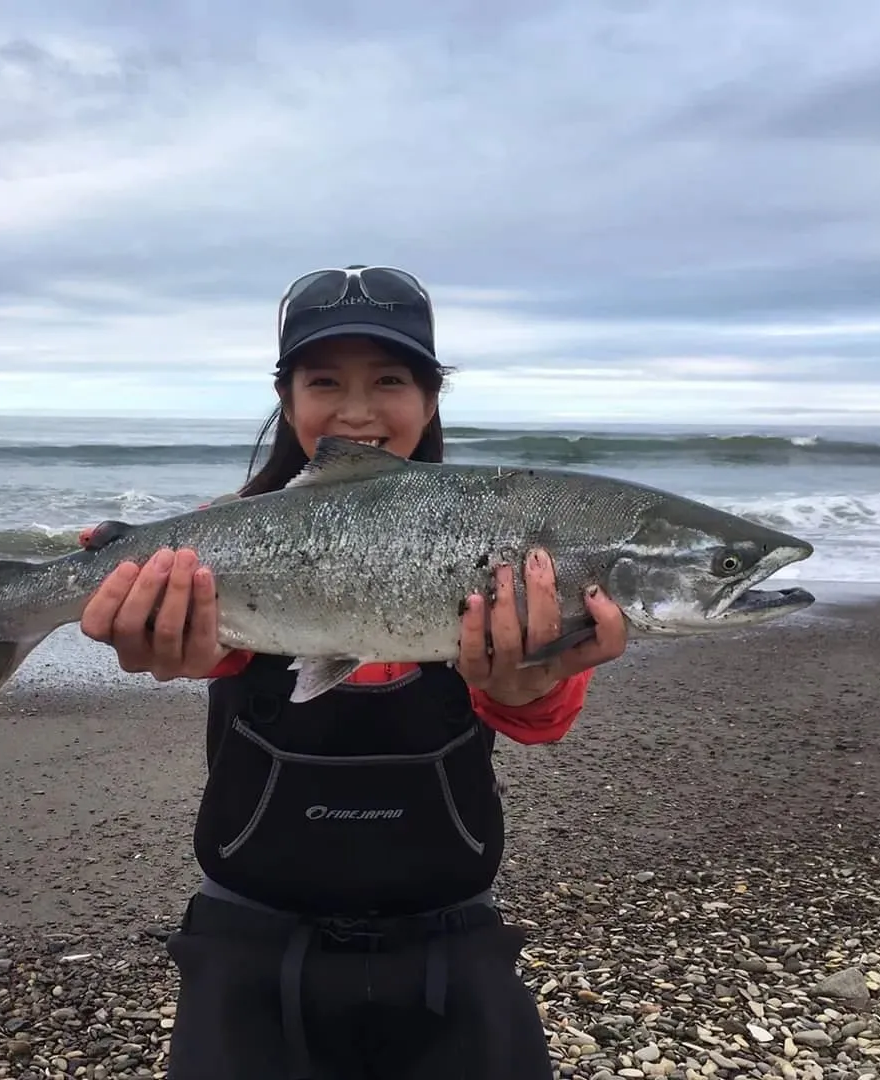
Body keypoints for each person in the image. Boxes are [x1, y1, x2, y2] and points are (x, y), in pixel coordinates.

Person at [78, 265, 629, 1080]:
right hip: (246, 932)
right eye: (324, 380)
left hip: (453, 929)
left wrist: (528, 684)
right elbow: (204, 649)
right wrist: (152, 634)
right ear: (287, 397)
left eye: (391, 380)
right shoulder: (210, 544)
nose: (359, 408)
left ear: (432, 398)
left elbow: (539, 720)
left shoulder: (505, 558)